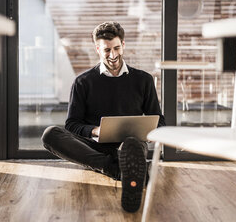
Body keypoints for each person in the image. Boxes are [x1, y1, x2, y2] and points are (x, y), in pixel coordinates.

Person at [41, 21, 165, 213]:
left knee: (132, 144)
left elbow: (158, 120)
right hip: (94, 146)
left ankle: (122, 166)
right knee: (50, 135)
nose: (113, 55)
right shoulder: (82, 82)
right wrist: (95, 130)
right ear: (97, 49)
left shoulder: (143, 80)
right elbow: (72, 124)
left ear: (123, 45)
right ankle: (117, 169)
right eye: (107, 50)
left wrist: (148, 131)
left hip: (130, 145)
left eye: (116, 48)